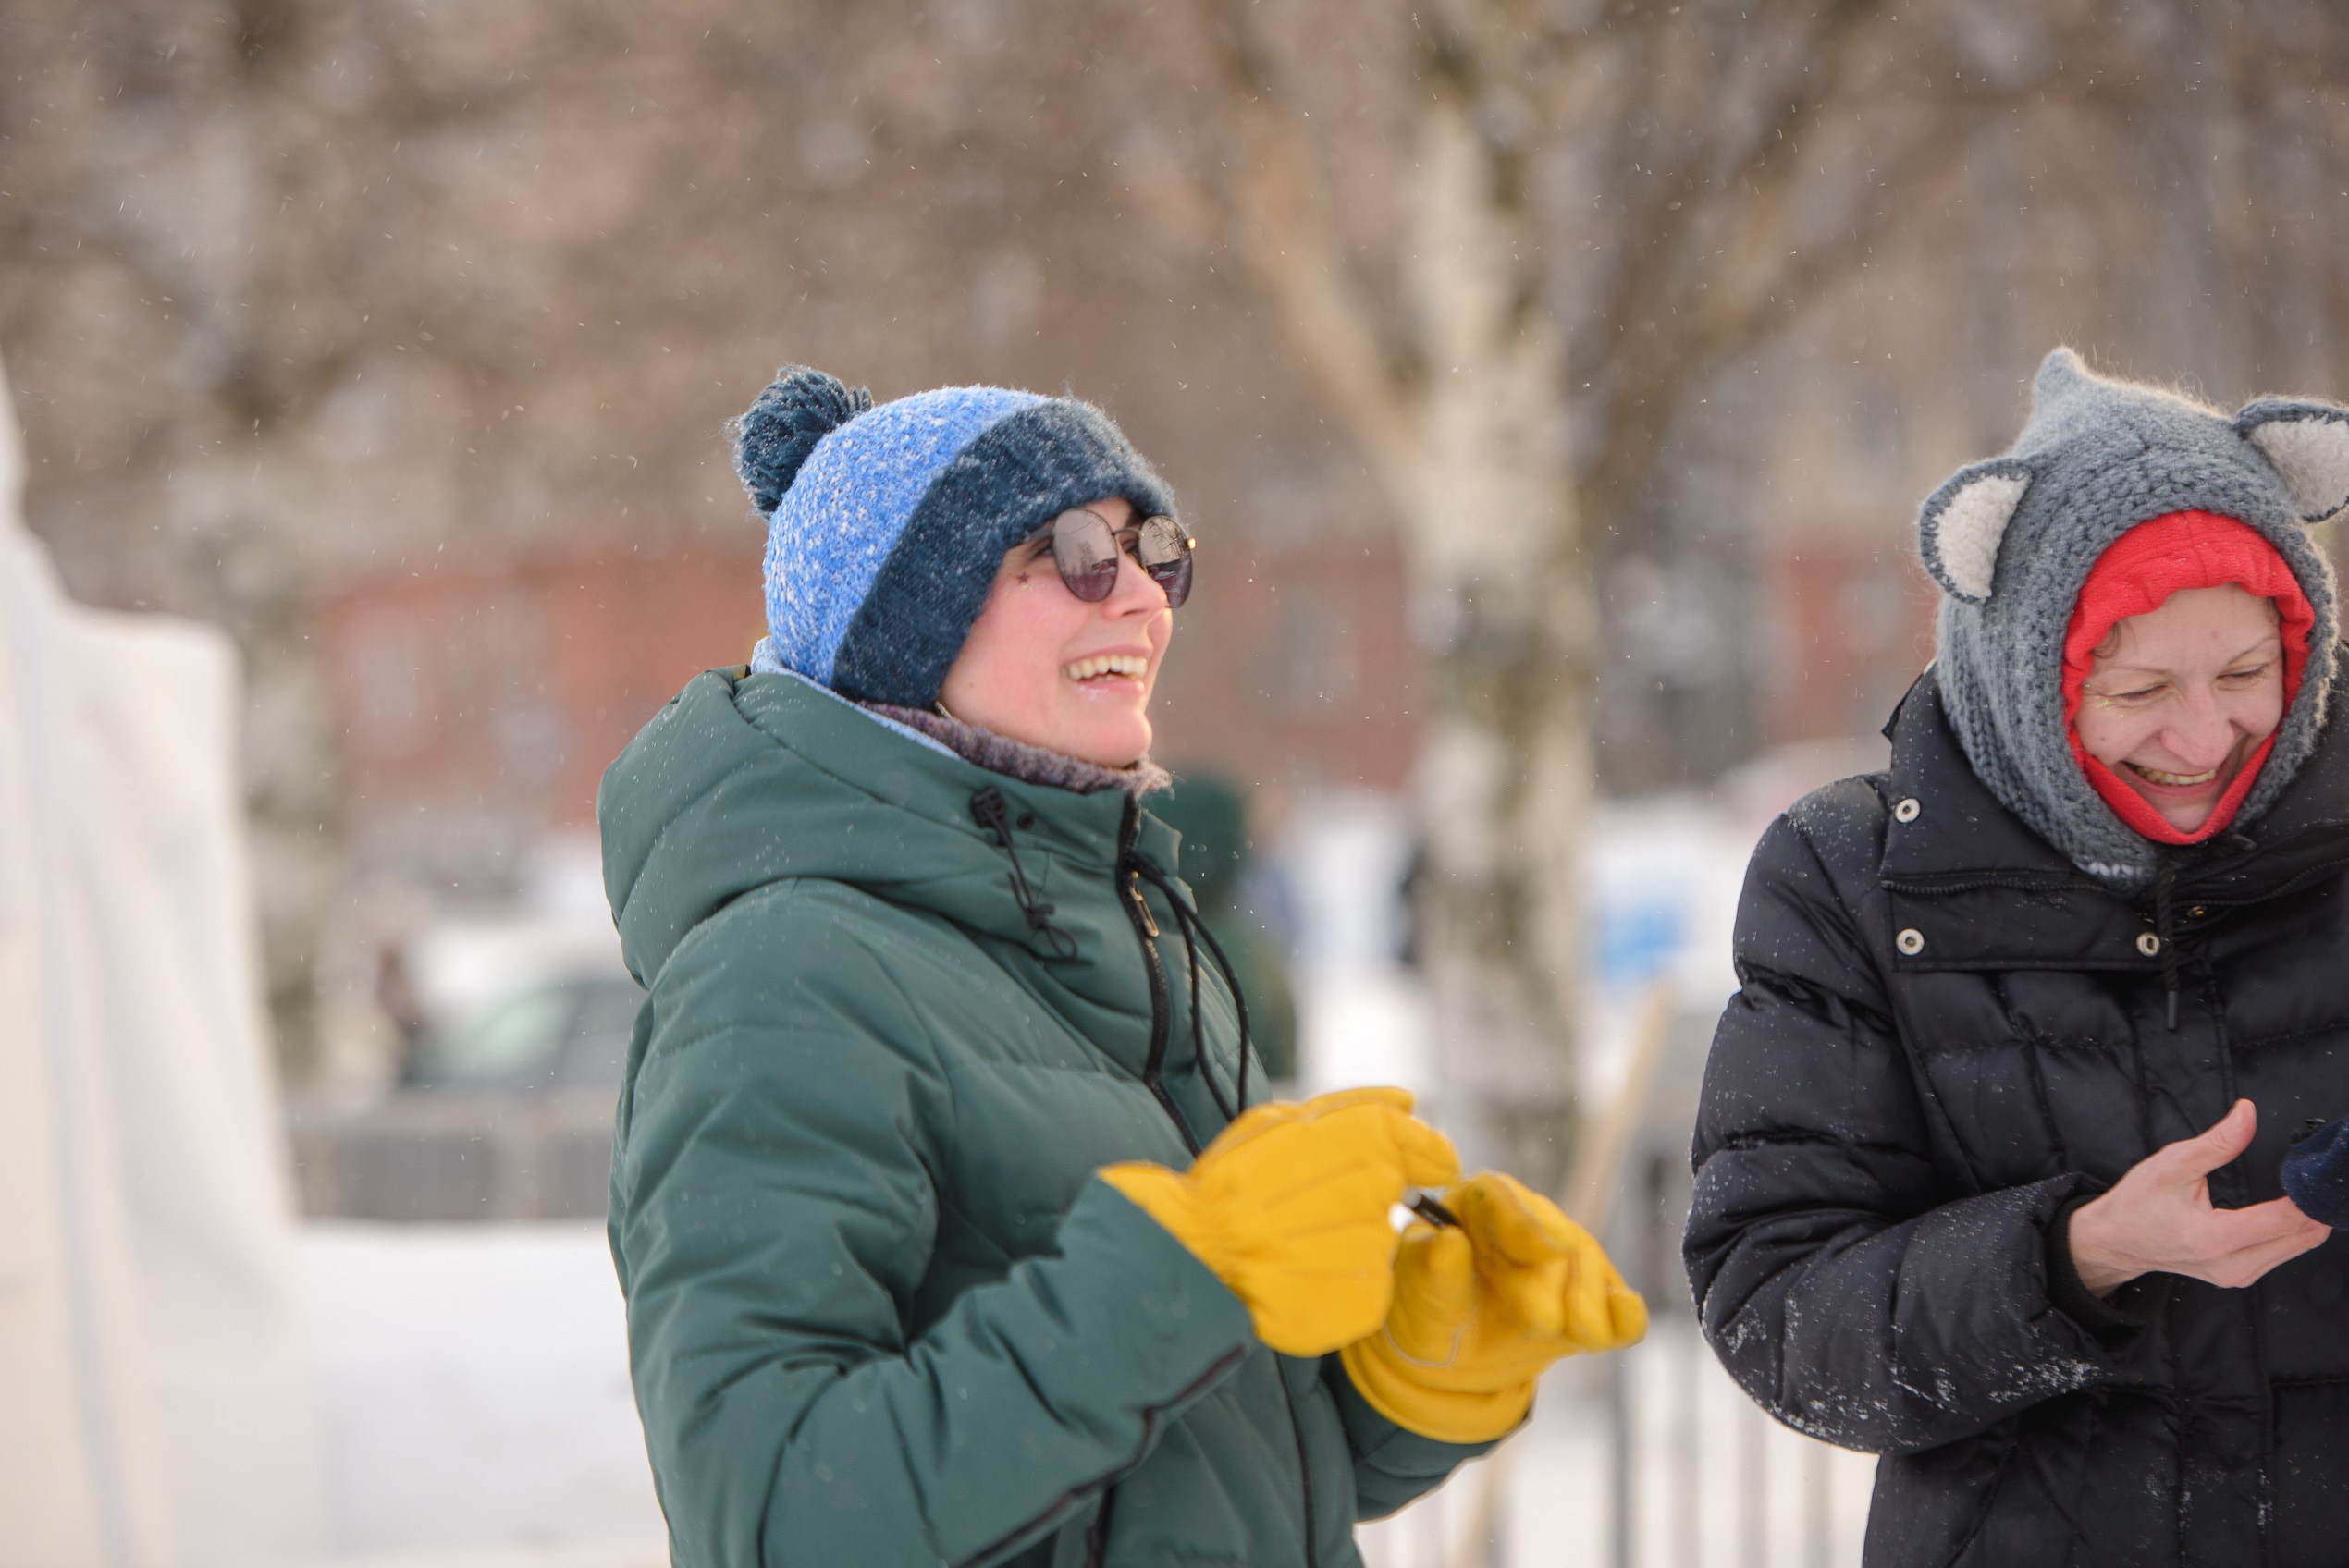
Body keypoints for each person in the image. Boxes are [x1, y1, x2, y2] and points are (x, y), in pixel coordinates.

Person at [598, 366, 1646, 1568]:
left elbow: (1191, 1467)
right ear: (909, 615)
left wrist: (1413, 1369)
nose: (1145, 596)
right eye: (1079, 550)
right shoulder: (784, 976)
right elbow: (777, 1516)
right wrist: (1181, 1268)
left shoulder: (1135, 930)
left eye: (1158, 551)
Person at [1685, 348, 2349, 1566]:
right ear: (2028, 675)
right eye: (2143, 686)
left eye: (2249, 672)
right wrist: (2081, 1254)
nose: (2204, 735)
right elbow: (1780, 1317)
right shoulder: (1847, 880)